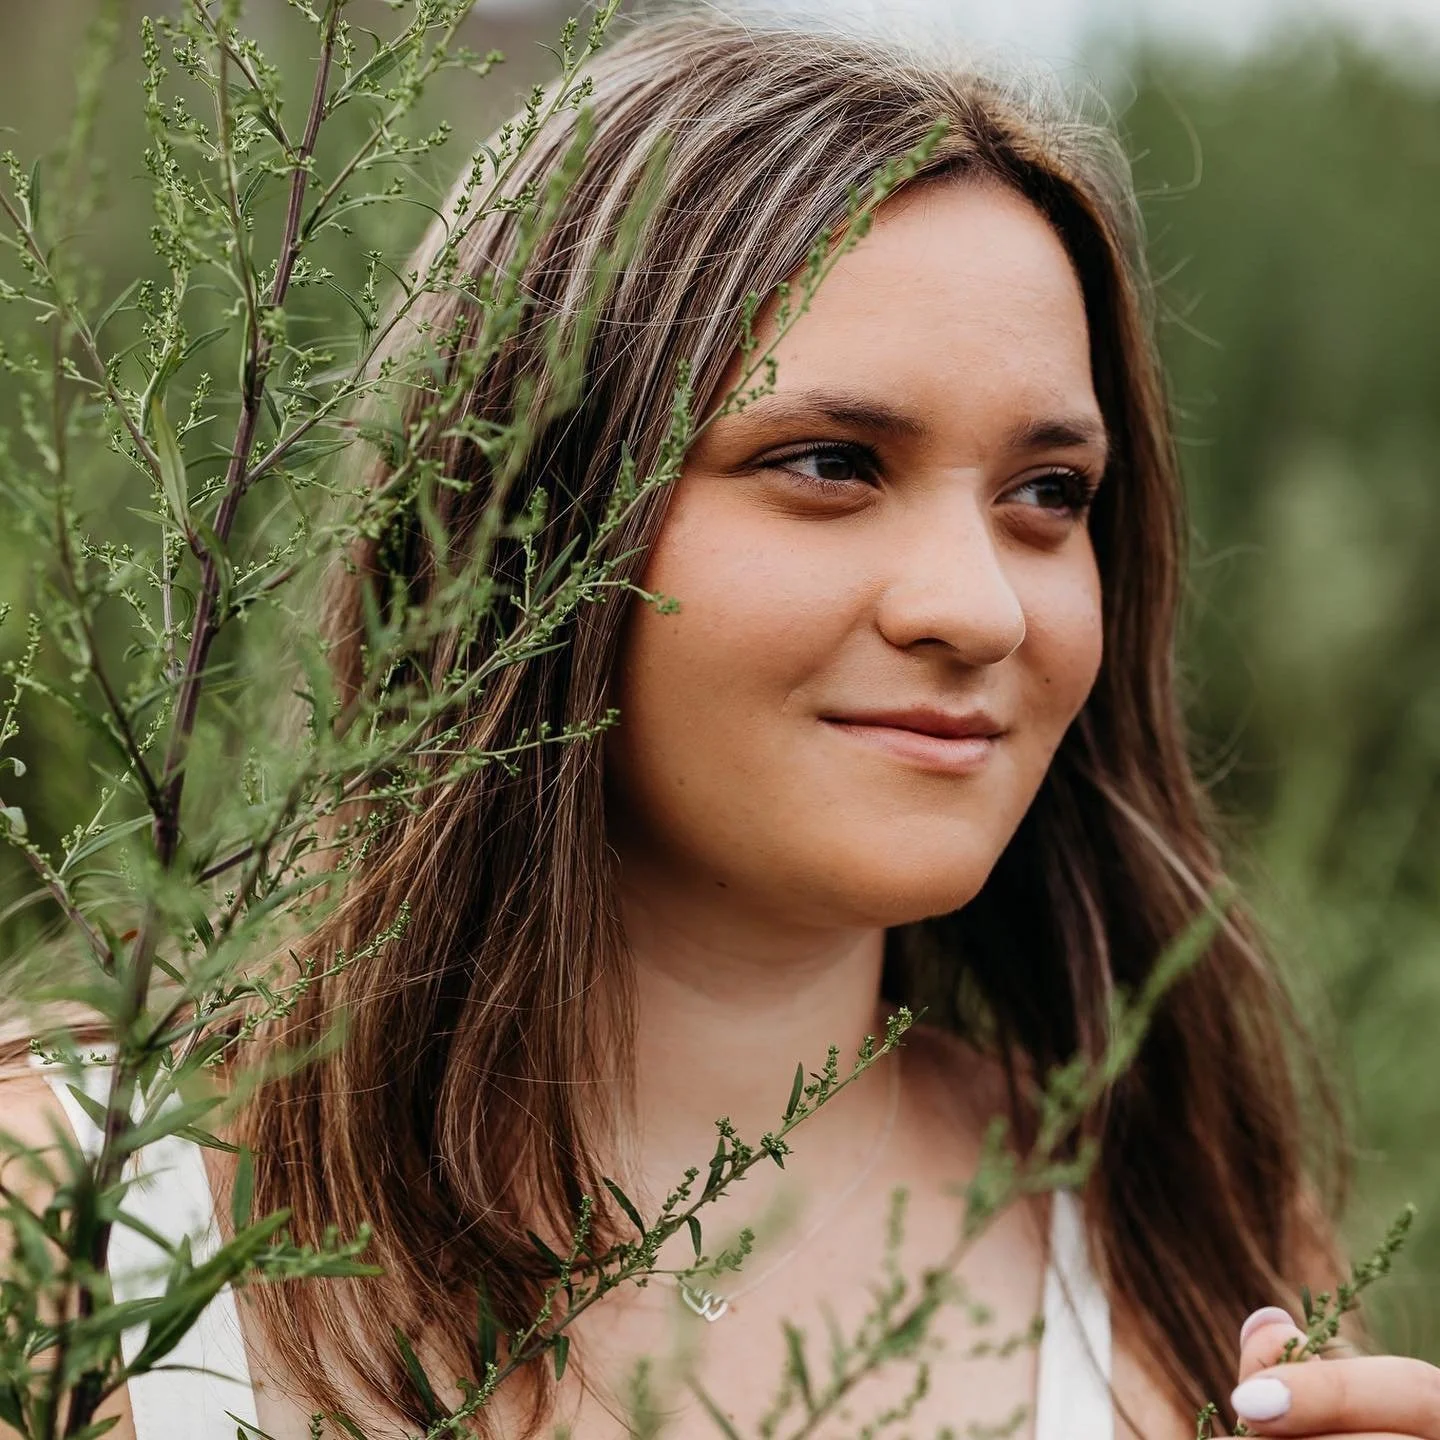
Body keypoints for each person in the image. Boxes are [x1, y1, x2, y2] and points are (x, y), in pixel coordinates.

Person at [5, 9, 1439, 1440]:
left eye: (1049, 492)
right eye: (830, 463)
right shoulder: (79, 1207)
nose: (985, 608)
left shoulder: (1178, 1246)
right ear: (522, 520)